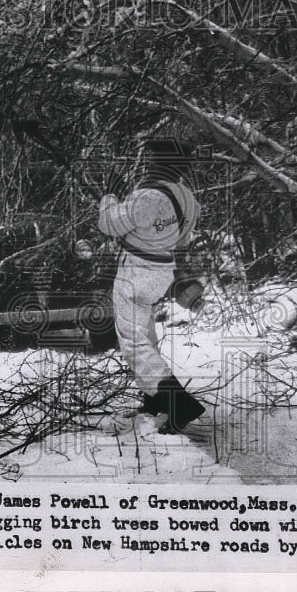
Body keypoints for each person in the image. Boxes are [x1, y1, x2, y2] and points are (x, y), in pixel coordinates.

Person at [97, 139, 206, 433]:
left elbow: (107, 224)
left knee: (134, 344)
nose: (148, 164)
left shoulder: (147, 196)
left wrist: (109, 195)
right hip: (162, 272)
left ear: (158, 163)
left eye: (152, 160)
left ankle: (180, 405)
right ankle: (154, 400)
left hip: (135, 272)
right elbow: (181, 239)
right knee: (145, 333)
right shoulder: (188, 199)